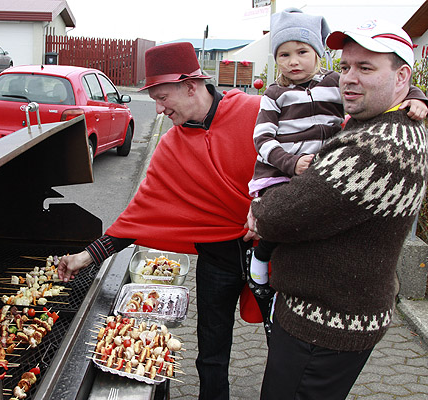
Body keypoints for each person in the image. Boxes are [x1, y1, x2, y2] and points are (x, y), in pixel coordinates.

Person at [57, 42, 262, 400]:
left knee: (286, 341)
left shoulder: (255, 112)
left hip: (272, 250)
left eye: (163, 97)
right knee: (211, 351)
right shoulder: (170, 145)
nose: (158, 108)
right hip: (217, 258)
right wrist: (84, 257)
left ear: (191, 85)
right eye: (154, 98)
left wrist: (270, 209)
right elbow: (140, 215)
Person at [246, 19, 428, 399]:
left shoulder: (378, 146)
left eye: (365, 68)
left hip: (324, 327)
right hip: (330, 317)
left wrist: (261, 210)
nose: (348, 78)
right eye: (344, 67)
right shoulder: (379, 123)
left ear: (402, 77)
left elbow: (277, 217)